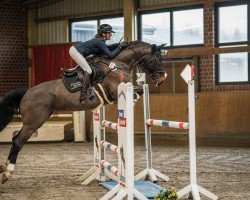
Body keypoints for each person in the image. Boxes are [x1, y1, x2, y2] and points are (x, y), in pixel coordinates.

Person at [69, 24, 128, 103]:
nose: (111, 35)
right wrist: (120, 47)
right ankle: (83, 95)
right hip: (75, 51)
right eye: (109, 33)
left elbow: (103, 53)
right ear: (104, 34)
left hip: (77, 50)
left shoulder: (100, 41)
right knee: (88, 70)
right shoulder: (99, 41)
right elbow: (110, 55)